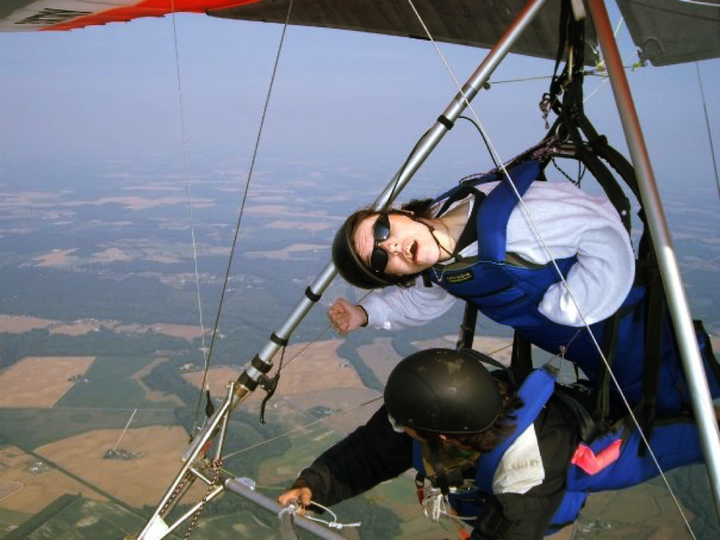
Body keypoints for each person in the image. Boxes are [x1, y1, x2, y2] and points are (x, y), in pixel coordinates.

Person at [328, 159, 720, 414]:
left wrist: (570, 304)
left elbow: (601, 230)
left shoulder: (513, 223)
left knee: (678, 404)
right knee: (625, 404)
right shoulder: (440, 264)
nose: (391, 245)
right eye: (379, 259)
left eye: (382, 229)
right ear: (395, 274)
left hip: (625, 330)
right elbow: (421, 303)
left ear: (398, 213)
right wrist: (367, 313)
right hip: (586, 349)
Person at [278, 348, 708, 539]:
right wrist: (314, 484)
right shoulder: (446, 409)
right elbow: (371, 450)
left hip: (567, 476)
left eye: (407, 426)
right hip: (501, 471)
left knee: (694, 438)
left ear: (443, 436)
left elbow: (514, 530)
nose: (397, 427)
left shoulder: (528, 465)